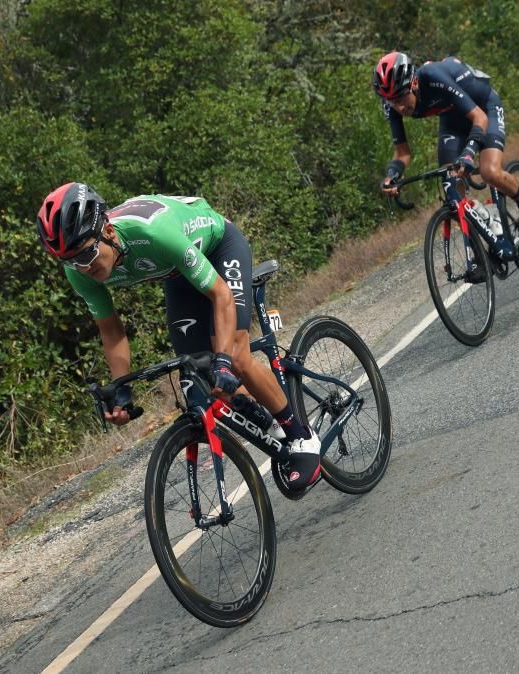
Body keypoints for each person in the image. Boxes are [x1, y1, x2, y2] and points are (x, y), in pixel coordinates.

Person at [37, 183, 322, 491]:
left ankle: (301, 438)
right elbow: (111, 330)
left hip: (218, 248)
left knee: (235, 358)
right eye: (72, 261)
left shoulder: (152, 234)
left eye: (88, 253)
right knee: (201, 373)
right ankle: (266, 420)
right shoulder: (80, 270)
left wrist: (224, 360)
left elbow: (221, 296)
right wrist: (121, 388)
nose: (84, 266)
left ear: (107, 231)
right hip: (177, 272)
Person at [375, 51, 519, 271]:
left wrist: (469, 152)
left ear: (414, 83)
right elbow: (402, 153)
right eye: (391, 101)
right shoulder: (393, 106)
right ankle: (481, 250)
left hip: (484, 108)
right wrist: (393, 175)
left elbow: (479, 118)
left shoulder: (433, 76)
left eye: (401, 98)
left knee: (489, 172)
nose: (399, 107)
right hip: (453, 119)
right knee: (452, 190)